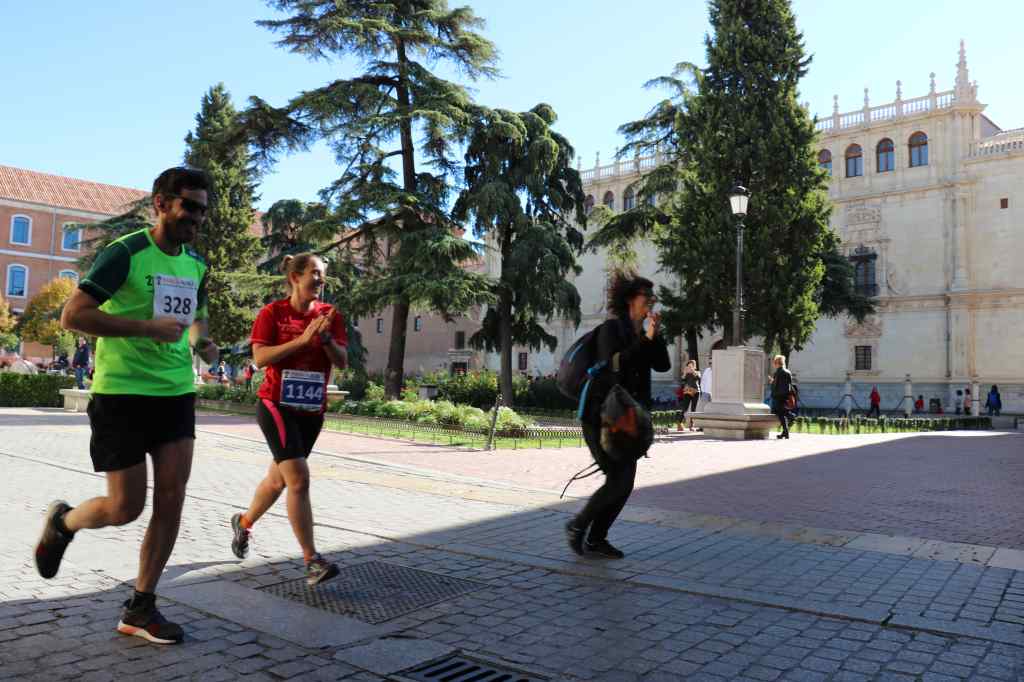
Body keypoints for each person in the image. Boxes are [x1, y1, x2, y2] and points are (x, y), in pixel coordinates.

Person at [36, 167, 218, 645]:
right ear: (161, 203)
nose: (196, 218)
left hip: (175, 392)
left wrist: (204, 344)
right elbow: (72, 315)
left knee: (173, 497)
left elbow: (195, 320)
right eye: (189, 207)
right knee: (124, 507)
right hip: (122, 395)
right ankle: (63, 522)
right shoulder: (126, 253)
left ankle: (141, 606)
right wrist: (144, 328)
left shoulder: (197, 265)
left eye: (203, 210)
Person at [229, 253, 348, 585]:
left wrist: (324, 339)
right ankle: (312, 560)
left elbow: (343, 361)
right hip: (276, 406)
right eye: (314, 273)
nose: (320, 280)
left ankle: (245, 522)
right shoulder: (273, 313)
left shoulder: (330, 317)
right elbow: (260, 357)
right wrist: (301, 340)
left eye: (323, 274)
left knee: (279, 480)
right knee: (299, 479)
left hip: (311, 411)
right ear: (295, 277)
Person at [565, 275, 670, 560]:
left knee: (624, 483)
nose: (651, 301)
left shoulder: (648, 332)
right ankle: (577, 526)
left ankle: (597, 538)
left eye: (652, 297)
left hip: (628, 420)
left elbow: (663, 365)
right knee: (619, 481)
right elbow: (616, 364)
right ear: (629, 300)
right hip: (600, 416)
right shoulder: (611, 330)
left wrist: (655, 337)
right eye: (645, 296)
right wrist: (643, 339)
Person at [770, 355, 794, 439]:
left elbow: (775, 386)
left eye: (774, 363)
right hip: (786, 395)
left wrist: (772, 382)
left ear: (777, 363)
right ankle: (785, 432)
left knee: (779, 412)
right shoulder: (788, 372)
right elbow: (790, 384)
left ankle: (791, 416)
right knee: (781, 413)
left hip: (778, 396)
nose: (774, 365)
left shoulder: (778, 372)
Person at [676, 360, 701, 431]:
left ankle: (691, 425)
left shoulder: (697, 372)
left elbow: (698, 378)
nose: (690, 367)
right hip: (688, 391)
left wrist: (692, 371)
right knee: (685, 407)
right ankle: (679, 423)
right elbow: (682, 381)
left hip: (696, 391)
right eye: (688, 366)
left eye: (691, 366)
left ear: (694, 366)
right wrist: (684, 373)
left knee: (693, 409)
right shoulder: (686, 373)